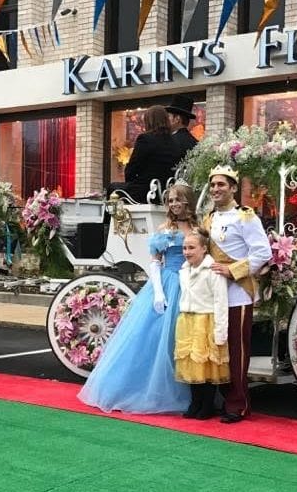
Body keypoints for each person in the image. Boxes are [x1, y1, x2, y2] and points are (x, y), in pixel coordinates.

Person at [78, 184, 199, 413]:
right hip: (168, 284)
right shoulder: (165, 229)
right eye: (171, 200)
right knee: (157, 338)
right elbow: (155, 261)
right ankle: (151, 392)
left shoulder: (199, 228)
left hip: (192, 285)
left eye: (178, 199)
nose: (173, 204)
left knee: (183, 338)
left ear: (187, 202)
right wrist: (159, 292)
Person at [202, 165, 273, 424]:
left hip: (238, 294)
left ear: (233, 188)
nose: (216, 189)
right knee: (217, 350)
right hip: (213, 295)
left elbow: (263, 253)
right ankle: (220, 398)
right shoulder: (208, 219)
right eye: (212, 185)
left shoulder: (246, 217)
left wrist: (233, 270)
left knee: (237, 350)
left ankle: (238, 404)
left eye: (221, 184)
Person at [174, 228, 229, 419]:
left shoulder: (213, 270)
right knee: (190, 364)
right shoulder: (184, 270)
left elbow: (220, 302)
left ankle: (208, 404)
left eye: (191, 248)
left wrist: (220, 332)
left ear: (204, 249)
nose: (187, 252)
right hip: (187, 320)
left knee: (206, 365)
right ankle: (194, 402)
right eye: (184, 248)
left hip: (205, 320)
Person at [121, 105, 182, 204]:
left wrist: (132, 182)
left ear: (148, 121)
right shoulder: (175, 142)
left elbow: (131, 169)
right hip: (166, 193)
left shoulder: (145, 139)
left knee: (113, 189)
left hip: (146, 192)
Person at [166, 95, 199, 163]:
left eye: (169, 116)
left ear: (177, 119)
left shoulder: (169, 141)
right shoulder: (195, 142)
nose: (166, 120)